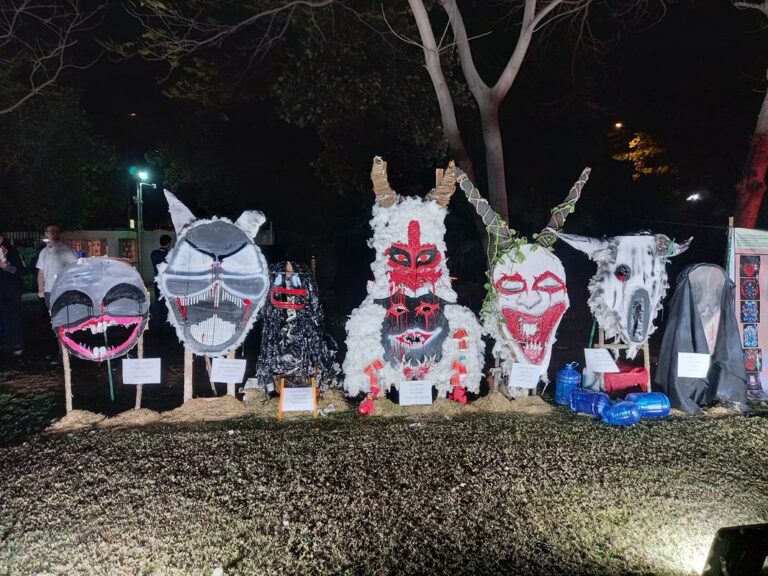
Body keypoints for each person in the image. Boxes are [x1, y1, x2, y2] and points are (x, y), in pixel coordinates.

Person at [36, 224, 76, 310]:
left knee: (63, 316)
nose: (54, 233)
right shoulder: (44, 252)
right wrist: (41, 289)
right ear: (46, 234)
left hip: (64, 289)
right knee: (52, 316)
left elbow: (74, 268)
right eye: (51, 231)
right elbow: (41, 271)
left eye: (57, 231)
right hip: (49, 290)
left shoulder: (67, 249)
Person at [0, 232, 25, 356]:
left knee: (14, 316)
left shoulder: (11, 251)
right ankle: (6, 343)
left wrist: (6, 266)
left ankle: (17, 343)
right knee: (4, 318)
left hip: (12, 290)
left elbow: (20, 270)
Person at [149, 234, 173, 334]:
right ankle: (168, 325)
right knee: (169, 304)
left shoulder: (154, 253)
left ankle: (158, 325)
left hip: (157, 282)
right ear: (168, 244)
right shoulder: (170, 255)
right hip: (168, 283)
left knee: (158, 303)